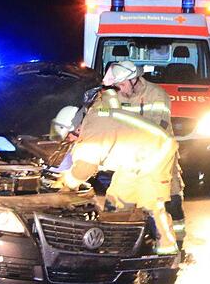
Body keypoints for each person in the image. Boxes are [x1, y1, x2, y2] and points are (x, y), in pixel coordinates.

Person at [55, 102, 180, 256]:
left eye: (69, 136)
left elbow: (84, 170)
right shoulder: (95, 115)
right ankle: (117, 247)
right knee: (116, 201)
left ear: (76, 128)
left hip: (157, 150)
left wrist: (66, 182)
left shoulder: (91, 134)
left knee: (152, 203)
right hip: (137, 155)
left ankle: (168, 254)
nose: (70, 140)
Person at [90, 60, 186, 244]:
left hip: (159, 162)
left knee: (169, 204)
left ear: (134, 79)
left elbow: (157, 132)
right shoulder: (113, 96)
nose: (120, 89)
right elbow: (99, 119)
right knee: (115, 205)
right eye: (116, 86)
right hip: (128, 164)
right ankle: (116, 245)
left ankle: (176, 246)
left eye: (122, 84)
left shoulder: (157, 96)